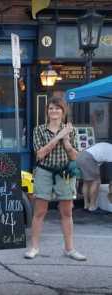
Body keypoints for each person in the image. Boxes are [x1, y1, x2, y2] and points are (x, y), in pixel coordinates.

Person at [25, 97, 86, 261]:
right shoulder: (39, 130)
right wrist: (59, 136)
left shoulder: (71, 131)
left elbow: (75, 157)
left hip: (65, 173)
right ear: (47, 111)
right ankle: (34, 247)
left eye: (57, 108)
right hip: (44, 171)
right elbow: (40, 154)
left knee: (66, 212)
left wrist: (66, 141)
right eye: (51, 108)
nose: (54, 111)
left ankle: (69, 249)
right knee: (39, 211)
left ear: (63, 111)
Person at [76, 142, 112, 212]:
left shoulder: (108, 146)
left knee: (86, 182)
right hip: (89, 158)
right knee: (96, 181)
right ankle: (92, 206)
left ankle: (86, 205)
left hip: (80, 156)